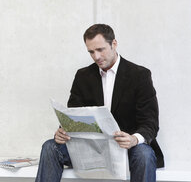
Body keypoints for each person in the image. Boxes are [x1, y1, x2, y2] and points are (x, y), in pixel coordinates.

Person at [35, 24, 164, 182]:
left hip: (127, 148)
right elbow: (74, 115)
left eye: (100, 49)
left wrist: (134, 139)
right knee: (50, 147)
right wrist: (63, 131)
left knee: (144, 153)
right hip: (92, 149)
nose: (96, 56)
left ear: (114, 44)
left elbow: (150, 122)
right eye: (91, 52)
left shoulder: (139, 75)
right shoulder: (83, 76)